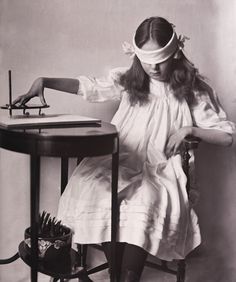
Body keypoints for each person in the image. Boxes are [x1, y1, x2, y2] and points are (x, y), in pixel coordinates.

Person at [13, 17, 234, 281]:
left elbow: (226, 136)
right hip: (119, 158)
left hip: (161, 167)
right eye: (145, 59)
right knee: (98, 189)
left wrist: (191, 130)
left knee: (148, 198)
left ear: (175, 52)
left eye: (160, 59)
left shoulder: (191, 88)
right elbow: (90, 86)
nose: (152, 67)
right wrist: (45, 80)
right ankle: (119, 277)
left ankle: (124, 278)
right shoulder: (130, 80)